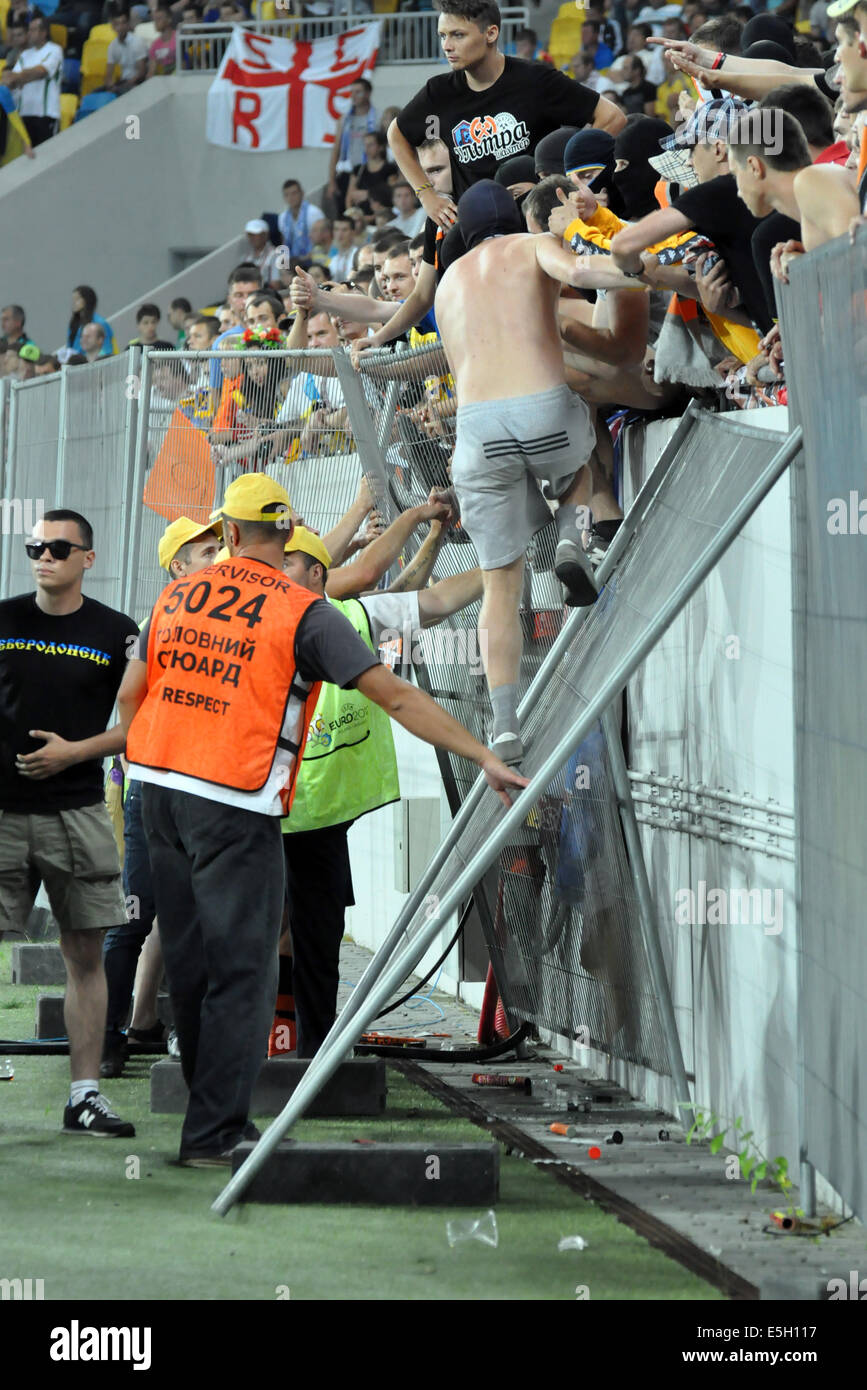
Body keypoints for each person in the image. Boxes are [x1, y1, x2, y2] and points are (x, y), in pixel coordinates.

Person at [117, 474, 526, 1165]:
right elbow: (393, 695)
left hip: (158, 790)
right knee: (243, 969)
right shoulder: (302, 610)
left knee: (187, 963)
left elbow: (134, 694)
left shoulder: (175, 595)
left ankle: (205, 1114)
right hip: (236, 800)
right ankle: (216, 1133)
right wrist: (484, 754)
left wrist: (152, 767)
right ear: (286, 537)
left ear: (229, 534)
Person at [277, 522, 485, 1057]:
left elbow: (432, 599)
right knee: (262, 931)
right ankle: (259, 1045)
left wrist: (499, 570)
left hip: (316, 813)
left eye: (287, 563)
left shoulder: (353, 617)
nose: (274, 571)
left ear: (316, 573)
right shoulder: (267, 621)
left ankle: (312, 1052)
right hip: (262, 810)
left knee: (317, 936)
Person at [435, 179, 600, 765]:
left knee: (499, 585)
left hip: (478, 431)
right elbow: (580, 272)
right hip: (544, 413)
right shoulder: (530, 248)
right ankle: (573, 538)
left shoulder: (448, 281)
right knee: (580, 458)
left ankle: (505, 729)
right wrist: (636, 270)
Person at [0, 511, 139, 1136]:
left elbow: (139, 726)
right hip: (2, 812)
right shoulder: (3, 618)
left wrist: (73, 752)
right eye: (36, 546)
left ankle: (84, 1096)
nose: (44, 556)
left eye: (59, 547)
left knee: (85, 954)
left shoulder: (118, 632)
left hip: (79, 811)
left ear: (87, 556)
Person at [102, 515, 223, 1078]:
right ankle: (109, 1038)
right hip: (156, 784)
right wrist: (148, 762)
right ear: (179, 567)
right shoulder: (167, 618)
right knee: (138, 912)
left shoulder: (212, 613)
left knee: (174, 912)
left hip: (187, 783)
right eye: (206, 551)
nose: (219, 556)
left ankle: (147, 1027)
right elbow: (131, 697)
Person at [388, 0, 626, 236]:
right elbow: (396, 134)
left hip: (540, 231)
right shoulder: (438, 92)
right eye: (442, 36)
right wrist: (427, 195)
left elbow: (611, 117)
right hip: (477, 233)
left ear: (490, 33)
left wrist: (574, 183)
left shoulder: (535, 80)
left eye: (457, 35)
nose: (447, 46)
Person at [4, 13, 63, 147]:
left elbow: (41, 72)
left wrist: (20, 77)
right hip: (25, 114)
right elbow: (10, 81)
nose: (29, 33)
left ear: (43, 33)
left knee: (48, 156)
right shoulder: (25, 55)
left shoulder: (54, 50)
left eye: (33, 30)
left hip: (45, 113)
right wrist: (20, 77)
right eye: (29, 30)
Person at [326, 75, 379, 215]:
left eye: (358, 92)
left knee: (366, 213)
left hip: (367, 172)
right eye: (352, 92)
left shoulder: (377, 118)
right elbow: (336, 150)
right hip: (346, 173)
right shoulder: (344, 120)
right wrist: (332, 181)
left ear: (368, 93)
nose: (354, 96)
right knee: (345, 214)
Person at [278, 179, 326, 261]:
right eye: (287, 195)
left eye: (294, 193)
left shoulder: (314, 213)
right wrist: (284, 263)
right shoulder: (282, 217)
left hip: (314, 258)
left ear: (302, 193)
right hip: (293, 262)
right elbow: (284, 243)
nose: (291, 198)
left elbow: (323, 240)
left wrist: (304, 260)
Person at [105, 7, 149, 94]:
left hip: (138, 83)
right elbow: (109, 73)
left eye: (123, 23)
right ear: (113, 27)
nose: (121, 27)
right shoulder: (112, 46)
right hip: (123, 83)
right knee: (96, 93)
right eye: (117, 24)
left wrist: (126, 85)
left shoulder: (137, 41)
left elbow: (142, 72)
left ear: (128, 24)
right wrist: (110, 85)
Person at [66, 286, 117, 358]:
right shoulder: (74, 324)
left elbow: (107, 350)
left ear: (87, 300)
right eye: (73, 300)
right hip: (75, 364)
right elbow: (70, 347)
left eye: (77, 299)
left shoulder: (100, 323)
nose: (74, 303)